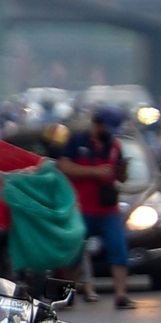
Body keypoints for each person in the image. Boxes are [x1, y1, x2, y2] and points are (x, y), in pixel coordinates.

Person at [59, 107, 136, 311]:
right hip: (81, 207)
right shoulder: (77, 142)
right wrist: (94, 171)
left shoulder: (115, 146)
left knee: (118, 247)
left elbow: (121, 178)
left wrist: (122, 172)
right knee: (74, 253)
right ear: (97, 123)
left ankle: (121, 294)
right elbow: (64, 167)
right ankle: (69, 293)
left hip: (108, 209)